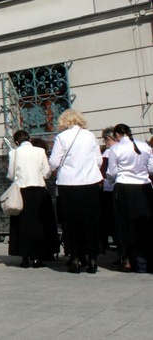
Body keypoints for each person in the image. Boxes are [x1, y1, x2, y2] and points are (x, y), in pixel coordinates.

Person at [48, 109, 103, 274]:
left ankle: (75, 258)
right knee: (90, 221)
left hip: (69, 184)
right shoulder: (90, 136)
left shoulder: (62, 137)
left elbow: (54, 162)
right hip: (90, 182)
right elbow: (98, 160)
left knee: (71, 222)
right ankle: (92, 257)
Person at [6, 131, 59, 268]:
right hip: (39, 191)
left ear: (16, 142)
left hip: (22, 191)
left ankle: (24, 257)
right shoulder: (40, 151)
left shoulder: (14, 153)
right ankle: (38, 257)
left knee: (22, 225)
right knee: (39, 224)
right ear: (29, 139)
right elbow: (47, 173)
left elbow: (11, 174)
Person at [107, 123, 153, 273]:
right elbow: (151, 168)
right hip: (144, 186)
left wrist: (111, 180)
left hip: (124, 187)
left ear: (117, 135)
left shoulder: (115, 148)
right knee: (145, 222)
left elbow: (112, 172)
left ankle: (127, 258)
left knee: (124, 223)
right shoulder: (145, 146)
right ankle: (146, 257)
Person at [99, 127, 119, 255]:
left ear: (108, 138)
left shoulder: (108, 153)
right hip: (119, 186)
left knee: (111, 219)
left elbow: (104, 172)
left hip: (110, 188)